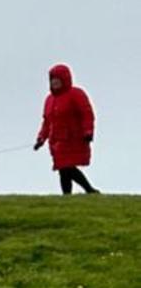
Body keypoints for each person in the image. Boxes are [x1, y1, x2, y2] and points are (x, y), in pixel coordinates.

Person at [34, 63, 99, 194]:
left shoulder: (76, 94)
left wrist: (88, 131)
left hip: (73, 138)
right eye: (52, 80)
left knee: (66, 167)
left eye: (57, 80)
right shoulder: (49, 100)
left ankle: (88, 189)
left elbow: (87, 114)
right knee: (63, 169)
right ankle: (68, 196)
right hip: (57, 142)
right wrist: (41, 138)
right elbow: (47, 122)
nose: (54, 83)